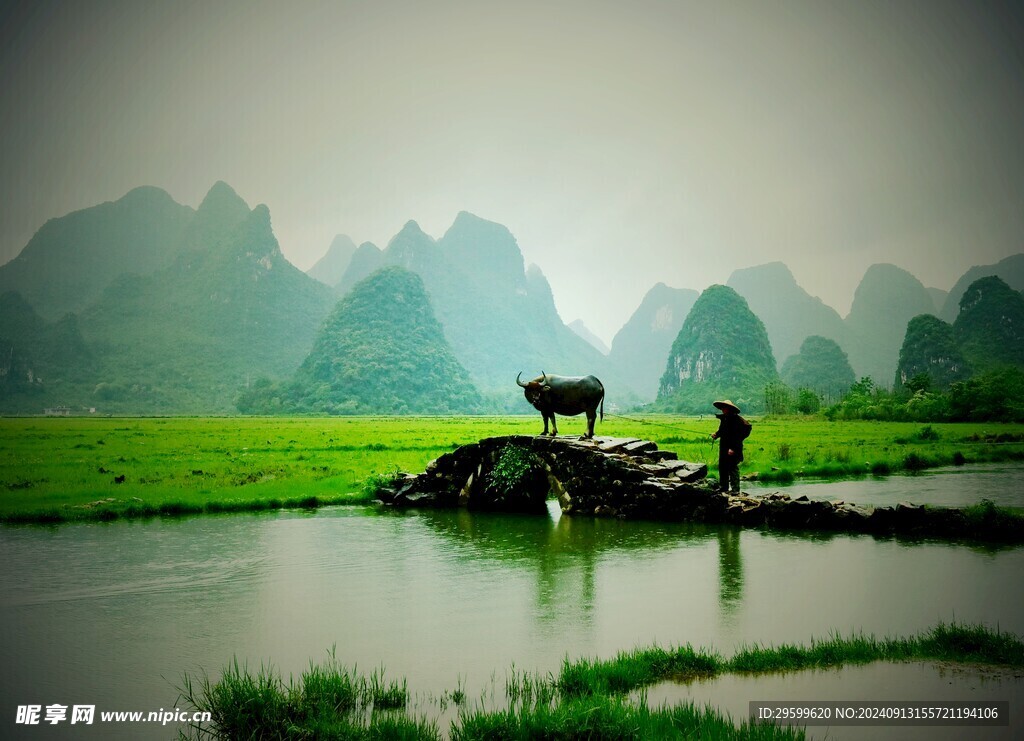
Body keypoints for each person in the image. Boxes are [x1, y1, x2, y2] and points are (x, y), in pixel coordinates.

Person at [710, 399, 751, 493]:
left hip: (733, 447)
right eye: (722, 408)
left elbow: (739, 436)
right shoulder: (724, 419)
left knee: (732, 467)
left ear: (729, 409)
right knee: (723, 467)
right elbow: (722, 431)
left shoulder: (737, 420)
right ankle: (724, 487)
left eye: (724, 408)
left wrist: (733, 448)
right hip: (724, 446)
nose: (723, 409)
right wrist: (716, 434)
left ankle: (735, 490)